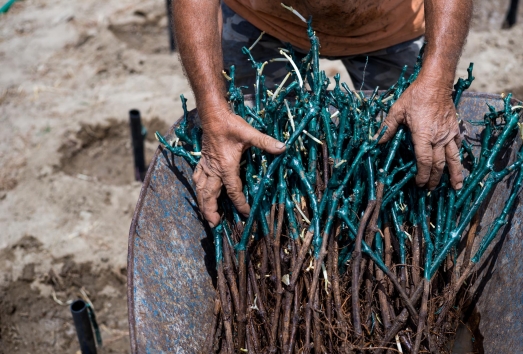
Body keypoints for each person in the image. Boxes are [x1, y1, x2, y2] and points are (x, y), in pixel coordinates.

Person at [172, 0, 473, 228]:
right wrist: (212, 111)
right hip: (262, 20)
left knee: (415, 157)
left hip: (390, 24)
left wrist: (436, 82)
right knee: (255, 170)